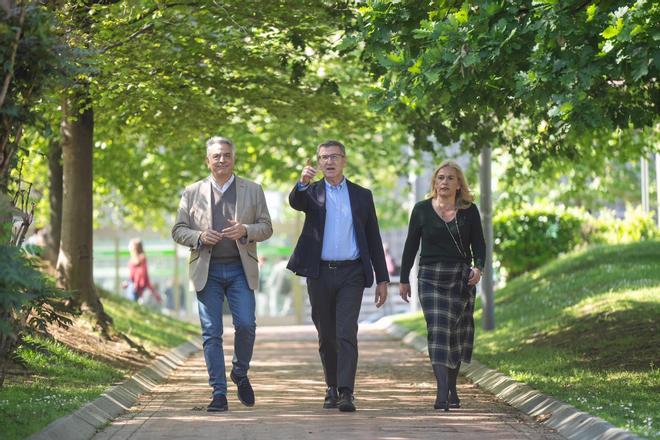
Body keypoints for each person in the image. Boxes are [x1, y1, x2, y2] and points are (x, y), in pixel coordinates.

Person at [172, 136, 273, 412]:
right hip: (208, 270)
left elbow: (266, 227)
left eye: (226, 155)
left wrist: (246, 230)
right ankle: (218, 392)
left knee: (246, 325)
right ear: (208, 160)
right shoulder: (192, 192)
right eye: (216, 156)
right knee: (211, 332)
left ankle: (240, 372)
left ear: (233, 158)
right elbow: (178, 230)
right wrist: (200, 236)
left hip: (241, 269)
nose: (221, 160)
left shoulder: (252, 190)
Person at [287, 140, 389, 412]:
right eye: (323, 158)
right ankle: (331, 386)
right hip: (319, 272)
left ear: (344, 160)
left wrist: (382, 279)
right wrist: (301, 183)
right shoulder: (312, 192)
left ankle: (346, 391)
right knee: (326, 335)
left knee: (346, 332)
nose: (328, 162)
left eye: (334, 157)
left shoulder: (362, 195)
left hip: (352, 272)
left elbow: (373, 238)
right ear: (318, 163)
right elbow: (295, 202)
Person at [399, 159, 485, 411]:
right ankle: (441, 393)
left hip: (460, 276)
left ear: (459, 184)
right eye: (440, 178)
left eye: (450, 178)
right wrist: (404, 279)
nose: (444, 182)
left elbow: (479, 244)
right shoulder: (421, 209)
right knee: (438, 330)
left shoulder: (470, 210)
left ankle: (452, 388)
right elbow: (410, 245)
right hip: (430, 277)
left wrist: (478, 268)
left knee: (456, 333)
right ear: (434, 183)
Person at [127, 238, 162, 303]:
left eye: (130, 245)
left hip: (136, 287)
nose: (128, 246)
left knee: (134, 307)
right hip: (133, 286)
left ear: (134, 247)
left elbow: (142, 274)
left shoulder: (141, 259)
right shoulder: (134, 259)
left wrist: (136, 285)